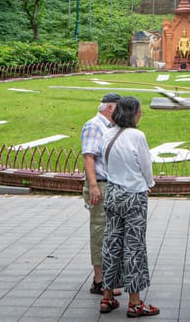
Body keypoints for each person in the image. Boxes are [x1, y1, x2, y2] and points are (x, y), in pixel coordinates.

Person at [98, 96, 159, 317]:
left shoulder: (107, 134)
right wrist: (149, 183)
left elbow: (107, 164)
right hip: (134, 196)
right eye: (140, 111)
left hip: (113, 193)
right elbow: (145, 165)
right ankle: (135, 302)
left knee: (111, 243)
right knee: (134, 247)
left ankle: (107, 297)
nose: (141, 114)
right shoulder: (137, 136)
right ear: (133, 113)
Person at [81, 92, 122, 296]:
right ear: (111, 108)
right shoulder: (94, 125)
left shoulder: (109, 127)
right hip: (100, 185)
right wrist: (94, 185)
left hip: (109, 185)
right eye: (119, 108)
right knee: (99, 232)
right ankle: (99, 281)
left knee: (109, 232)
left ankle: (107, 279)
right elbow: (88, 157)